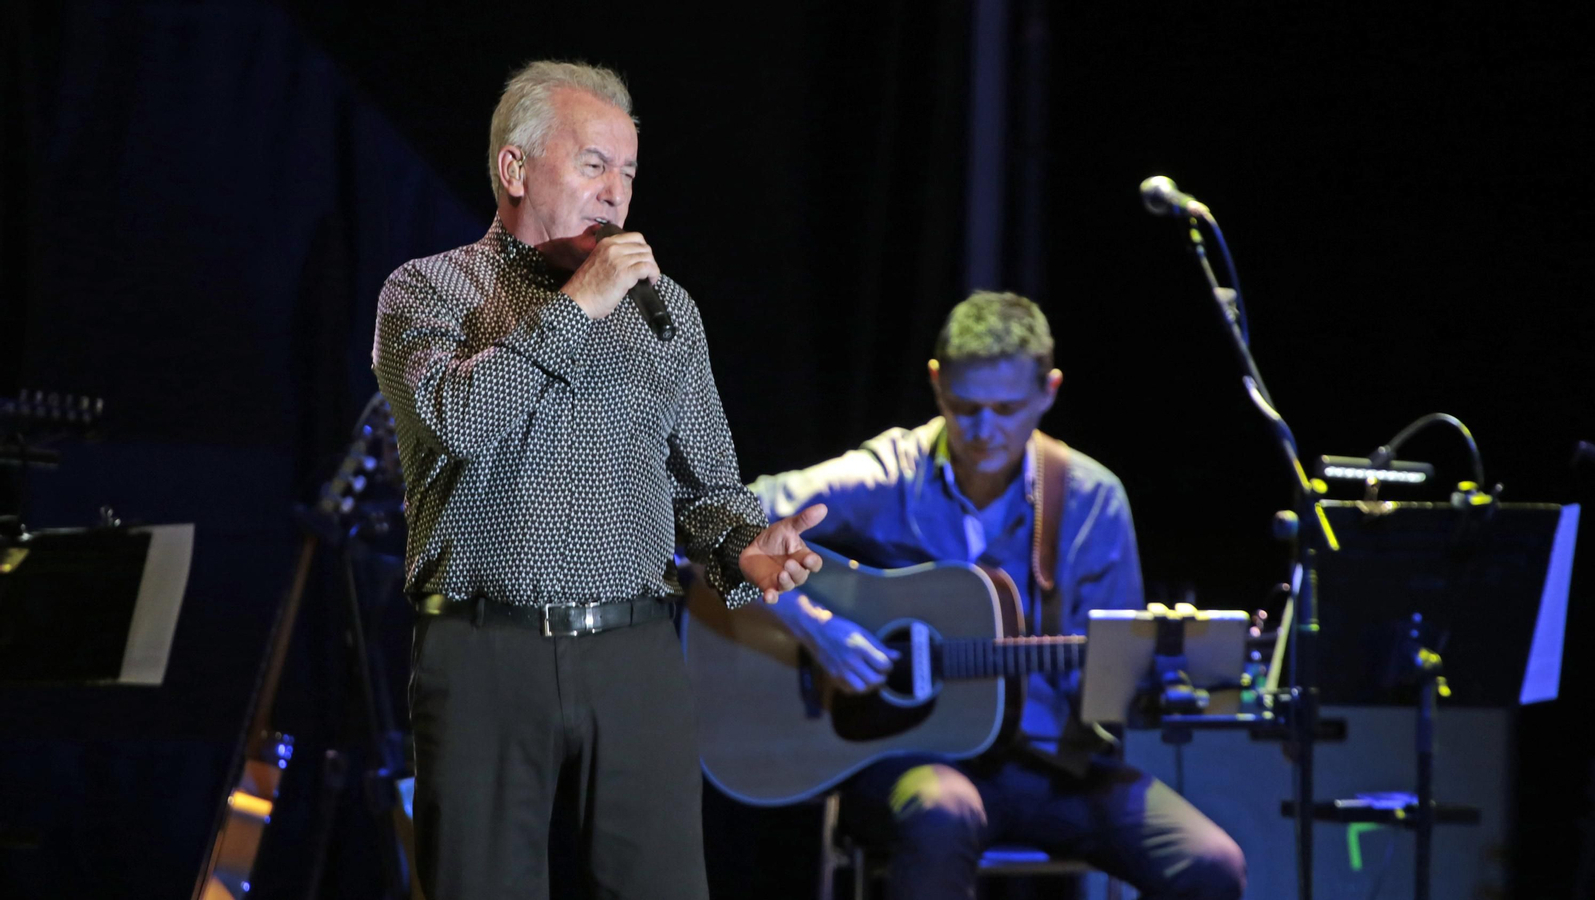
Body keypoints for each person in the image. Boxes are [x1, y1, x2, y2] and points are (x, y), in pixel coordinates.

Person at [372, 60, 826, 900]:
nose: (616, 195)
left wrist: (747, 545)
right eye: (593, 165)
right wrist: (579, 305)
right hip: (482, 652)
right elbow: (459, 422)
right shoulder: (427, 290)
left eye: (627, 173)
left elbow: (704, 483)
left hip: (636, 653)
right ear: (515, 169)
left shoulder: (667, 311)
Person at [750, 291, 1247, 899]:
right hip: (914, 761)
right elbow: (718, 527)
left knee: (1210, 863)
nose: (984, 431)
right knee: (943, 811)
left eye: (1008, 408)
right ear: (937, 385)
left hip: (1055, 766)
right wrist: (814, 626)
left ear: (1049, 391)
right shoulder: (886, 476)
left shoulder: (1092, 501)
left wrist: (1148, 672)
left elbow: (1110, 696)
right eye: (965, 407)